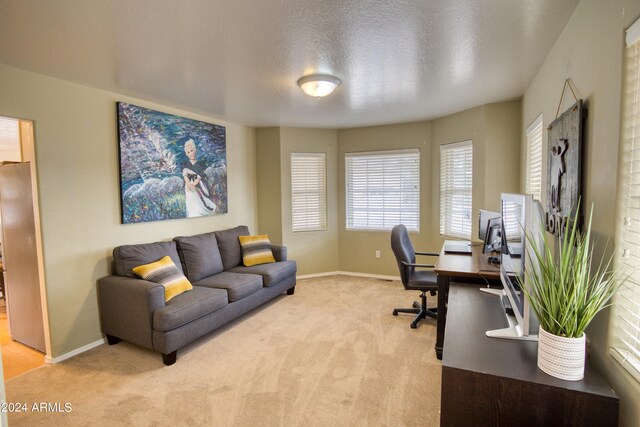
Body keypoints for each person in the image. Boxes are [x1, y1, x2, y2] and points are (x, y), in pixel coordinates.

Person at [182, 138, 215, 217]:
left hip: (197, 184)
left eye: (192, 151)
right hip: (188, 185)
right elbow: (185, 175)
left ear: (195, 150)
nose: (191, 153)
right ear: (186, 154)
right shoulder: (185, 163)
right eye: (188, 152)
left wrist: (193, 185)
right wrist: (189, 185)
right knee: (191, 201)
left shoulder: (200, 164)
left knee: (200, 202)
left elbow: (199, 177)